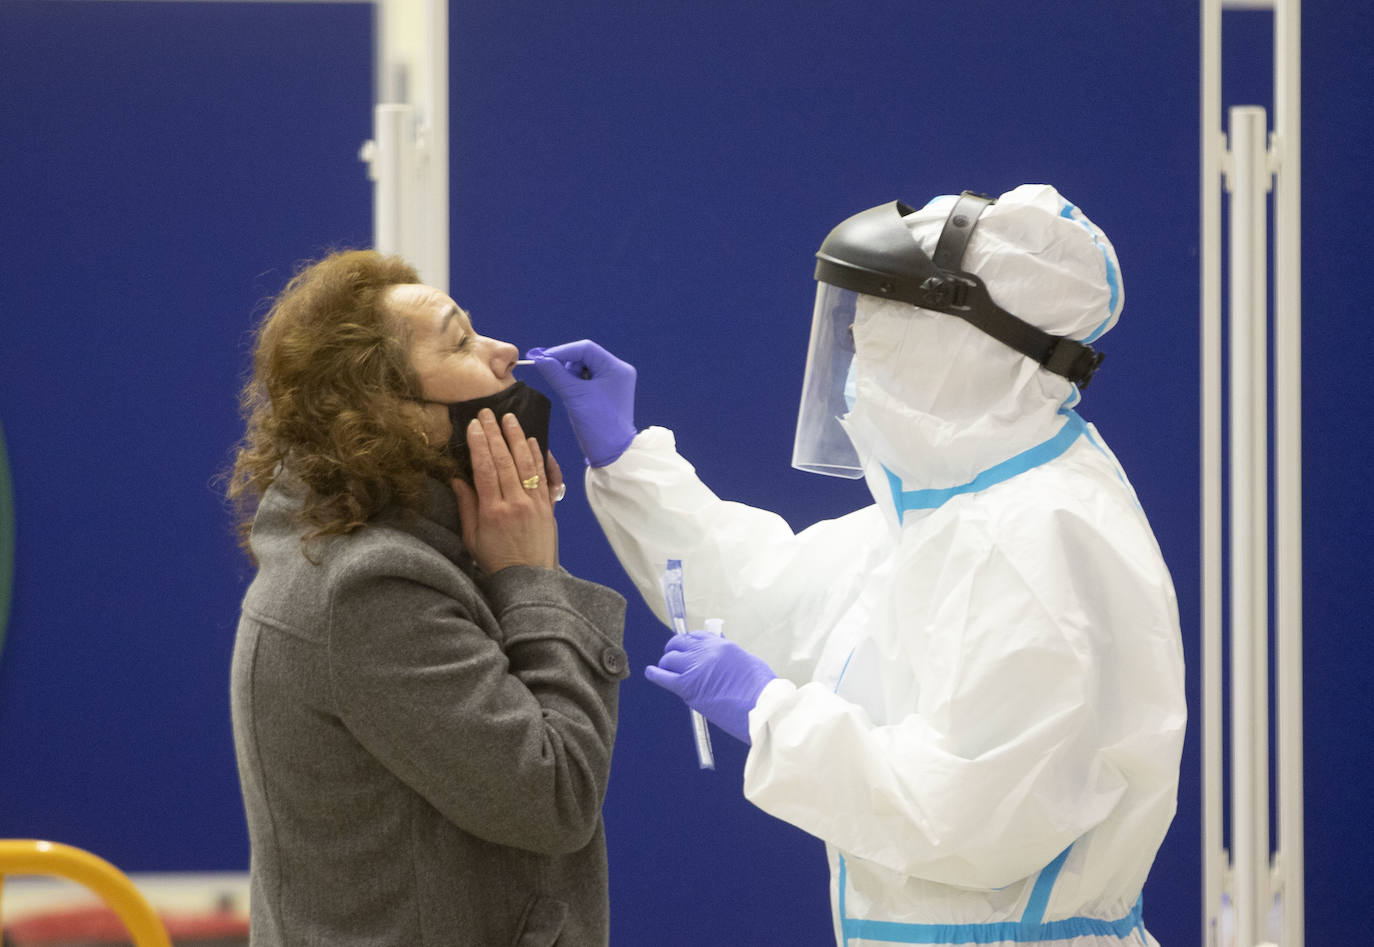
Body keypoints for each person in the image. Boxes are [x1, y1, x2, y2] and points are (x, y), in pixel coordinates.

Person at [529, 185, 1186, 946]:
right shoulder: (953, 507)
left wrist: (773, 715)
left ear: (962, 340)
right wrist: (626, 457)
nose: (854, 364)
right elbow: (767, 594)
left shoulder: (1038, 537)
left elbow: (973, 813)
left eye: (881, 330)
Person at [225, 249, 630, 946]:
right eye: (462, 340)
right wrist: (534, 577)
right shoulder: (369, 588)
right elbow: (555, 795)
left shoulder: (371, 543)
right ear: (396, 416)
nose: (506, 352)